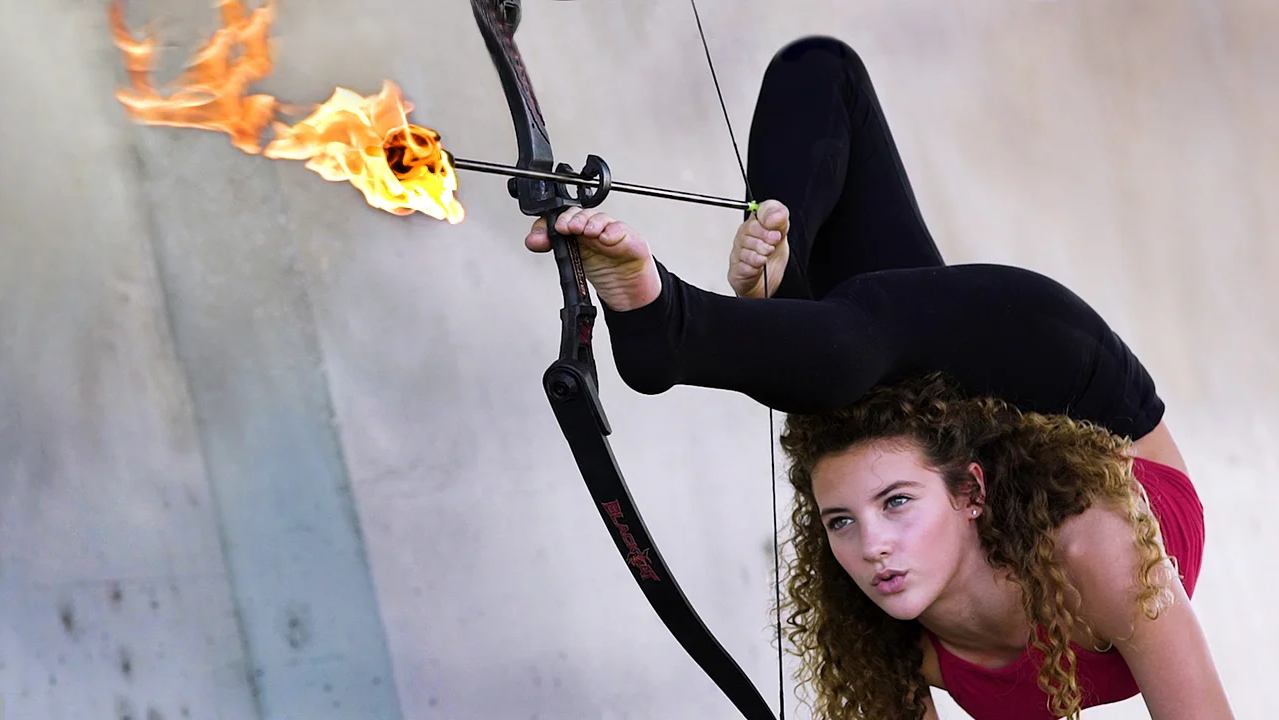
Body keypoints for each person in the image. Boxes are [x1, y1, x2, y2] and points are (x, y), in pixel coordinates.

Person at [523, 36, 1233, 720]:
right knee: (851, 334)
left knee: (816, 72)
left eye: (891, 507)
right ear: (970, 490)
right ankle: (680, 319)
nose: (871, 548)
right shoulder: (1099, 553)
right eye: (844, 521)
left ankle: (774, 283)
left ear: (971, 493)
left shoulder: (913, 606)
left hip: (979, 411)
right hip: (1068, 387)